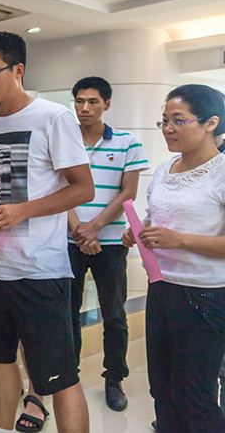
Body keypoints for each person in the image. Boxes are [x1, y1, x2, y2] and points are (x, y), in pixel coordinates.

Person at [0, 31, 93, 433]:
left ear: (18, 70)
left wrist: (22, 211)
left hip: (40, 271)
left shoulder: (54, 117)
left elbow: (83, 188)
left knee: (58, 374)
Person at [123, 84, 225, 433]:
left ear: (211, 123)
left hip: (205, 293)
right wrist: (140, 231)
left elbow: (178, 234)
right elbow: (157, 220)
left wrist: (178, 240)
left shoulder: (221, 171)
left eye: (178, 121)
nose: (168, 128)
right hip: (162, 288)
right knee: (162, 389)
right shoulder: (165, 170)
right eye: (164, 121)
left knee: (194, 395)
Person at [67, 76, 149, 412]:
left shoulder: (128, 142)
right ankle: (68, 377)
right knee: (67, 312)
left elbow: (128, 192)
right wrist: (79, 230)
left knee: (114, 314)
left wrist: (95, 227)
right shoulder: (64, 139)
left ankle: (114, 379)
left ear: (107, 104)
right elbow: (55, 188)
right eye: (79, 101)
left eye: (93, 102)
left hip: (112, 242)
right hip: (69, 240)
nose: (85, 108)